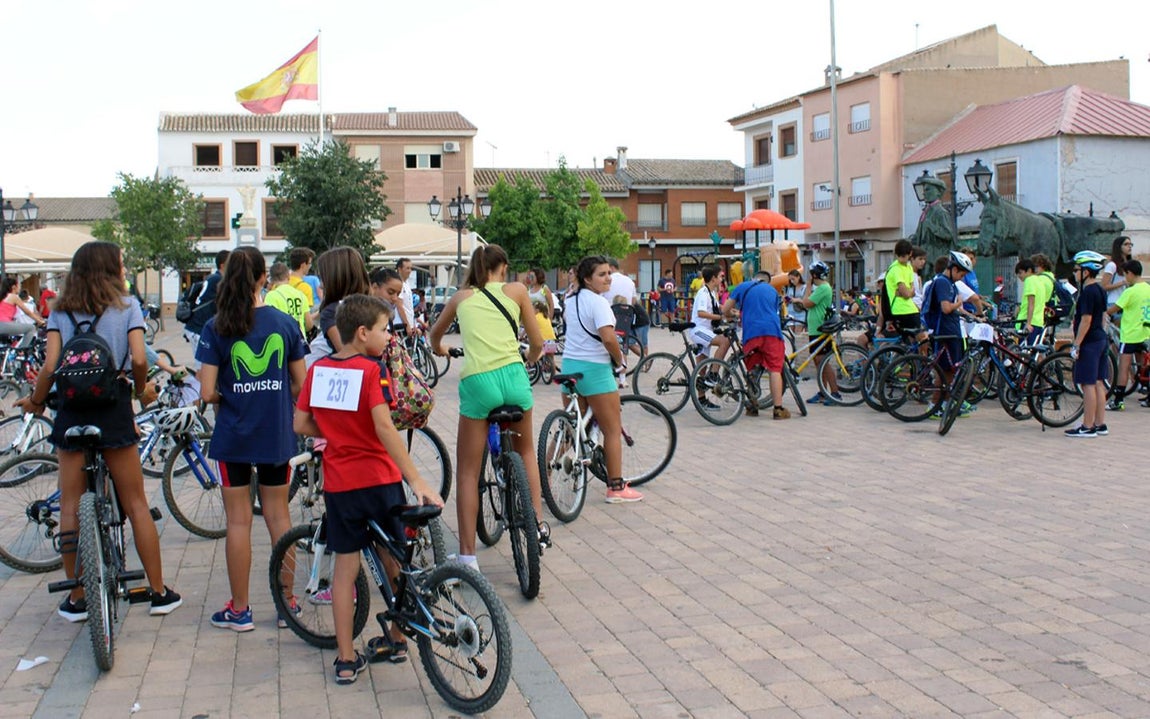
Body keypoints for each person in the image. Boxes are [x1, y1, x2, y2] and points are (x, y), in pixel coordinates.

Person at [16, 241, 180, 622]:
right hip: (114, 408)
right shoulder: (128, 308)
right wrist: (140, 390)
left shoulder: (60, 310)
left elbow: (51, 365)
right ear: (111, 269)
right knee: (136, 502)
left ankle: (76, 597)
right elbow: (139, 358)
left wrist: (37, 401)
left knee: (71, 505)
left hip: (72, 410)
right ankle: (157, 592)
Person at [294, 294, 443, 683]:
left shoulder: (319, 371)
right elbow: (384, 427)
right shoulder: (371, 370)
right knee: (393, 557)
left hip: (341, 485)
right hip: (379, 480)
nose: (388, 336)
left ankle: (345, 659)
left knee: (345, 570)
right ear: (362, 333)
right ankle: (396, 639)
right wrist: (416, 478)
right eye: (383, 330)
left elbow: (300, 423)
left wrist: (335, 436)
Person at [196, 246, 307, 631]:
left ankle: (240, 609)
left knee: (239, 521)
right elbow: (301, 384)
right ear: (264, 278)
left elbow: (207, 391)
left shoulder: (216, 326)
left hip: (233, 437)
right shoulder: (283, 324)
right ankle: (286, 604)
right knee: (279, 517)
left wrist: (229, 395)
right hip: (275, 433)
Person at [429, 244, 551, 568]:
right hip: (514, 377)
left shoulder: (461, 298)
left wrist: (441, 349)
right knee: (526, 454)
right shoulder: (517, 290)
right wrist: (529, 359)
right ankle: (537, 526)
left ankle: (468, 557)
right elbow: (538, 343)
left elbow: (434, 335)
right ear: (504, 267)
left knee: (468, 471)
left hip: (478, 383)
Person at [551, 255, 643, 503]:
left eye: (608, 273)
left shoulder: (571, 299)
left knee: (571, 429)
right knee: (612, 429)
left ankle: (544, 475)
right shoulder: (600, 303)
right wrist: (619, 360)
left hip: (570, 365)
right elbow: (609, 338)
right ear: (587, 279)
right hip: (595, 370)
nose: (608, 278)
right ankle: (615, 487)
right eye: (601, 274)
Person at [721, 269, 791, 419]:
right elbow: (774, 311)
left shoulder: (742, 286)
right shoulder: (772, 291)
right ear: (767, 281)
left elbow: (725, 310)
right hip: (772, 331)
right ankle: (778, 409)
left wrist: (729, 316)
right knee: (774, 369)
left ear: (753, 279)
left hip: (751, 332)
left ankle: (752, 406)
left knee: (752, 367)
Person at [922, 251, 976, 417]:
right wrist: (959, 303)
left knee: (951, 371)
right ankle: (934, 405)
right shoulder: (943, 283)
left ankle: (945, 403)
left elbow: (954, 309)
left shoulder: (950, 284)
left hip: (952, 331)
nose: (961, 277)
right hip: (944, 332)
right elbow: (946, 308)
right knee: (945, 371)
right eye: (961, 273)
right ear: (952, 268)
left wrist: (971, 315)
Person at [1065, 251, 1110, 437]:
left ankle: (1087, 425)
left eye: (1077, 269)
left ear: (1086, 271)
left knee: (1087, 384)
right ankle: (1100, 423)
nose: (1074, 273)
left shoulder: (1087, 293)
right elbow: (1104, 317)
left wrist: (1076, 344)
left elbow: (1086, 320)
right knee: (1099, 382)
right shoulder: (1100, 289)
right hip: (1100, 339)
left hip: (1089, 342)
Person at [306, 247, 371, 367]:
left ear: (335, 278)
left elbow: (346, 353)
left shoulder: (332, 311)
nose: (320, 286)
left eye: (323, 278)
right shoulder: (372, 307)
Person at [787, 261, 840, 404]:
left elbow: (806, 303)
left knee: (823, 362)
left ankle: (835, 393)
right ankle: (823, 392)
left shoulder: (823, 288)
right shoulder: (821, 288)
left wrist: (808, 285)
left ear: (814, 275)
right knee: (818, 362)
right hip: (814, 328)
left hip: (820, 328)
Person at [1105, 260, 1150, 411]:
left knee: (1123, 366)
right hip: (1145, 332)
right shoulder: (1147, 288)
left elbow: (1114, 308)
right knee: (1145, 365)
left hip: (1130, 334)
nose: (1125, 278)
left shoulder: (1130, 291)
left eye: (1125, 275)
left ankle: (1118, 400)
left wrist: (1102, 312)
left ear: (1130, 273)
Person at [183, 249, 231, 354]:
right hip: (198, 329)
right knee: (203, 367)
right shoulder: (218, 280)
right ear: (223, 266)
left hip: (201, 328)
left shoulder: (213, 278)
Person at [265, 261, 312, 337]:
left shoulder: (271, 296)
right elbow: (309, 324)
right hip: (300, 340)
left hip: (282, 340)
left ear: (272, 279)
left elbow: (269, 322)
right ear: (288, 276)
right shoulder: (301, 295)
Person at [885, 240, 921, 337]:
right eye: (900, 256)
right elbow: (907, 294)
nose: (902, 259)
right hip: (900, 310)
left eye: (904, 256)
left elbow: (913, 292)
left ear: (910, 254)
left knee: (916, 339)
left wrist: (907, 292)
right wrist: (908, 292)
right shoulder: (895, 269)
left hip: (911, 308)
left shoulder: (909, 267)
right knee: (921, 337)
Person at [0, 276, 45, 345]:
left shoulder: (2, 297)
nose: (20, 287)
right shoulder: (13, 296)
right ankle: (22, 351)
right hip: (5, 325)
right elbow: (28, 312)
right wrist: (40, 322)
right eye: (19, 285)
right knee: (31, 328)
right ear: (14, 287)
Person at [1013, 258, 1047, 344]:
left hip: (1027, 321)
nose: (1019, 276)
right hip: (1038, 321)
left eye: (1020, 273)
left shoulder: (1029, 281)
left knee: (1023, 351)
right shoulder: (1040, 281)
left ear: (1029, 270)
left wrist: (1028, 323)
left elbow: (1031, 303)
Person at [1100, 236, 1134, 316]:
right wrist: (1122, 283)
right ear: (1119, 247)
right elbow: (1104, 286)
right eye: (1126, 244)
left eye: (1130, 244)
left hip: (1126, 302)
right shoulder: (1112, 265)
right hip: (1114, 302)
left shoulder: (1130, 264)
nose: (1129, 246)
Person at [394, 258, 419, 337]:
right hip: (401, 325)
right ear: (399, 269)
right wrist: (407, 325)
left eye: (410, 268)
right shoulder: (398, 284)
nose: (409, 271)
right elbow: (399, 306)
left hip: (409, 324)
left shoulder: (407, 283)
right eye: (407, 268)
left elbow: (409, 307)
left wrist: (413, 324)